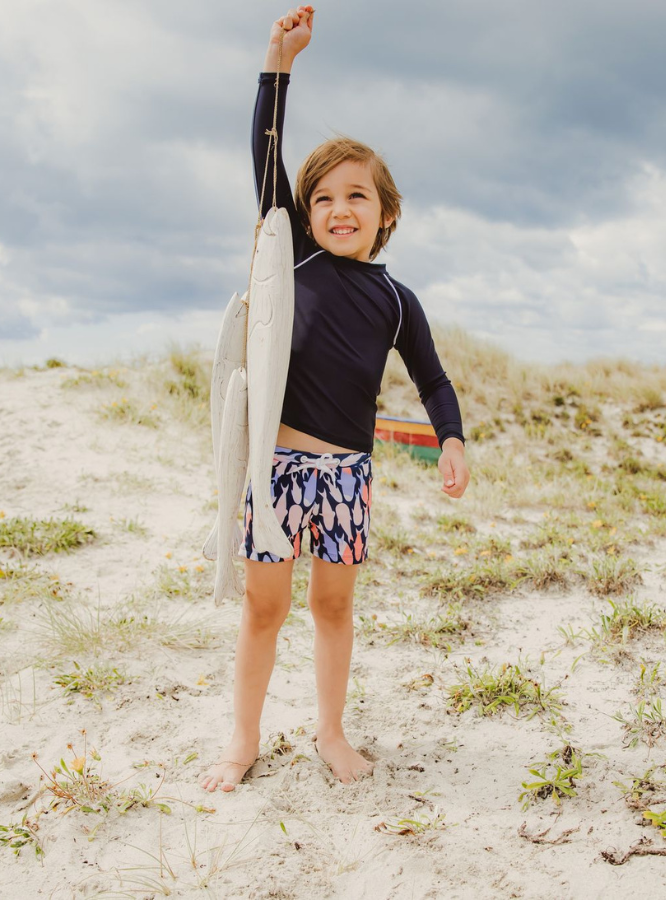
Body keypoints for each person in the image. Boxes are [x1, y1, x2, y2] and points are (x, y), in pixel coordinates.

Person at [200, 5, 470, 792]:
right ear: (303, 212)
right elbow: (266, 149)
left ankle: (330, 732)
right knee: (262, 610)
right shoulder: (292, 264)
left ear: (386, 214)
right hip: (275, 465)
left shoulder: (396, 300)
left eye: (357, 197)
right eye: (321, 198)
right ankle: (241, 740)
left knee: (332, 608)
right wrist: (277, 63)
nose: (338, 208)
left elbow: (434, 378)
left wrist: (449, 438)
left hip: (349, 475)